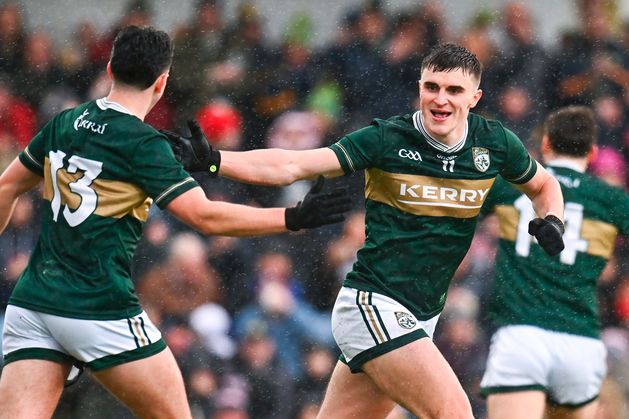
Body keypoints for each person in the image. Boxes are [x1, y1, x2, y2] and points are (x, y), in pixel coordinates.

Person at [165, 42, 565, 418]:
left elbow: (545, 185)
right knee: (454, 412)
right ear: (419, 88)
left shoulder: (494, 143)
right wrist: (216, 160)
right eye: (432, 87)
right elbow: (293, 165)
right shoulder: (387, 138)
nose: (440, 99)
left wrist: (552, 220)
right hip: (373, 305)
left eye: (454, 90)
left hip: (422, 315)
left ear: (474, 98)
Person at [0, 25, 352, 419]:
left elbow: (7, 187)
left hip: (33, 303)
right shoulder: (142, 143)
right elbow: (206, 215)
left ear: (111, 68)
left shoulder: (65, 122)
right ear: (162, 82)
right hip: (97, 305)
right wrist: (292, 218)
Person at [479, 105, 629, 419]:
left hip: (522, 335)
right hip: (580, 341)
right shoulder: (611, 199)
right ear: (591, 153)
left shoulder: (510, 185)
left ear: (545, 144)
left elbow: (456, 212)